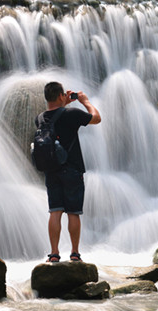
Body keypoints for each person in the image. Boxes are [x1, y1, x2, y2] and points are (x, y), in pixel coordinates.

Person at [38, 82, 101, 262]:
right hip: (72, 169)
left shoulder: (40, 118)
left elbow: (56, 117)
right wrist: (85, 101)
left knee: (55, 211)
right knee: (73, 212)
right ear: (60, 95)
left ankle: (54, 253)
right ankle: (74, 253)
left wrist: (62, 104)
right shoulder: (72, 114)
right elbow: (96, 118)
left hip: (51, 170)